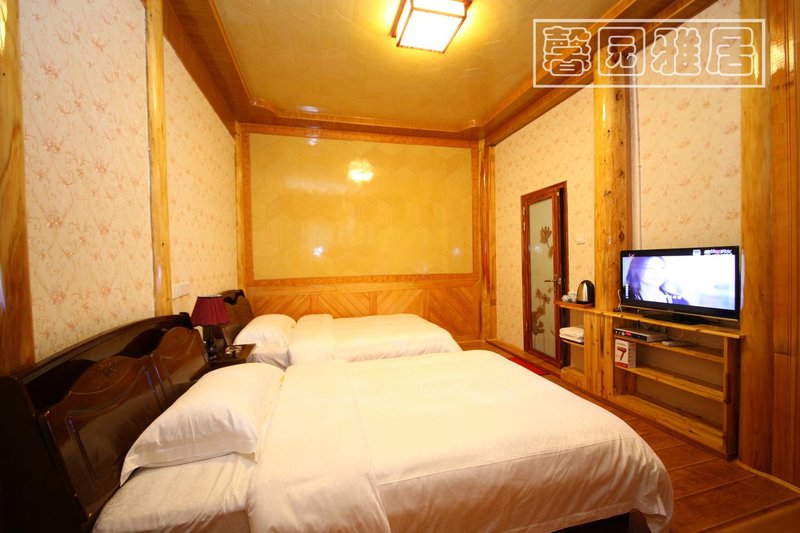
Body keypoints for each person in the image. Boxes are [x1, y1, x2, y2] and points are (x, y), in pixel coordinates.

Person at [625, 256, 689, 304]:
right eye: (649, 268)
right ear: (636, 270)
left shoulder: (679, 301)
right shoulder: (627, 296)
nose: (658, 273)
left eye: (662, 268)